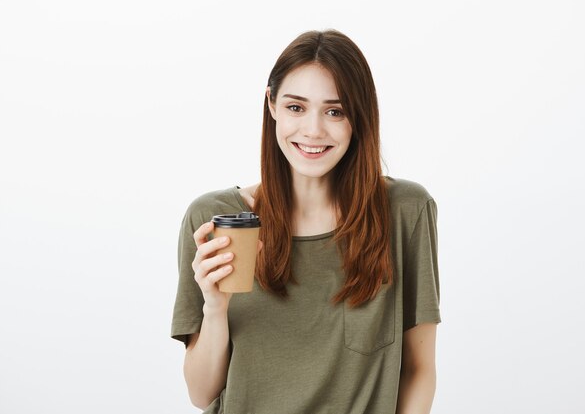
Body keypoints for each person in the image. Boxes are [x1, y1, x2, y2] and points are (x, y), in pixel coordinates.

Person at [171, 29, 441, 414]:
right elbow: (201, 394)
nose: (313, 130)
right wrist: (215, 308)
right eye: (296, 107)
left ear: (359, 116)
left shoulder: (405, 211)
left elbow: (419, 370)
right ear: (272, 105)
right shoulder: (217, 220)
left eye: (335, 111)